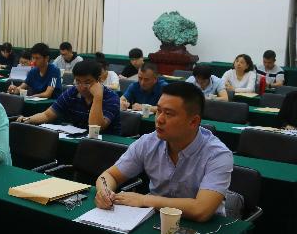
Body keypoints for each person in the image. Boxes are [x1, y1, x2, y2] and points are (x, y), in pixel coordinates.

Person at [95, 82, 233, 222]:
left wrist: (145, 200)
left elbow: (201, 210)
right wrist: (104, 191)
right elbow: (109, 175)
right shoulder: (148, 142)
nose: (159, 119)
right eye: (158, 111)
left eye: (168, 114)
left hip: (205, 228)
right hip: (156, 218)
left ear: (193, 121)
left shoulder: (217, 155)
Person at [19, 60, 121, 135]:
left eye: (87, 82)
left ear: (99, 80)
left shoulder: (111, 98)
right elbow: (47, 115)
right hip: (80, 139)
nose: (82, 87)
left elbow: (95, 127)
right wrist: (27, 119)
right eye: (78, 81)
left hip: (107, 146)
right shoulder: (73, 92)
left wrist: (97, 97)